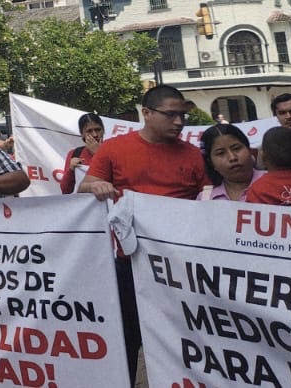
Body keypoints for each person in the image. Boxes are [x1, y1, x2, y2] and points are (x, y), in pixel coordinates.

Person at [79, 85, 206, 383]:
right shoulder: (114, 149)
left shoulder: (194, 156)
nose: (179, 122)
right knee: (127, 338)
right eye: (170, 115)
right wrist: (96, 186)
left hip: (179, 267)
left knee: (182, 340)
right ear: (146, 113)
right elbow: (85, 185)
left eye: (182, 115)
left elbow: (212, 203)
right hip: (130, 263)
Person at [199, 123, 264, 201]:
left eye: (236, 148)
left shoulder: (276, 184)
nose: (232, 157)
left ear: (249, 149)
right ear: (211, 162)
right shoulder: (205, 199)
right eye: (221, 153)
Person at [59, 113, 104, 195]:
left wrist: (99, 154)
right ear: (82, 134)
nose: (95, 135)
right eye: (89, 131)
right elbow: (65, 190)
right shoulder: (75, 153)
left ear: (103, 130)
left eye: (98, 129)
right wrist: (71, 170)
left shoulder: (114, 151)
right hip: (87, 206)